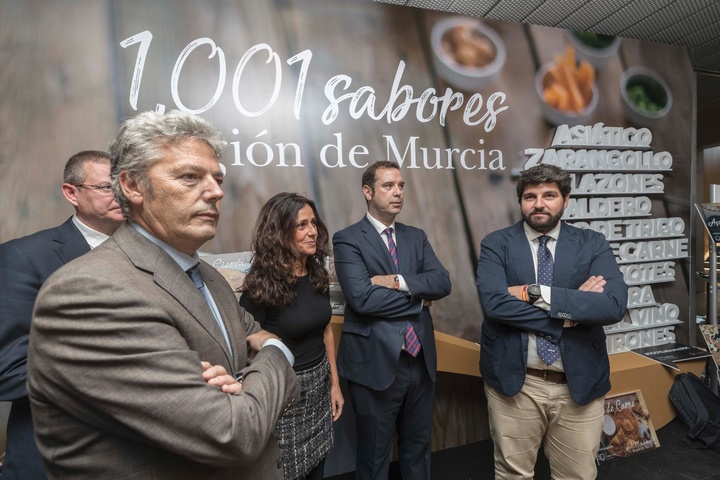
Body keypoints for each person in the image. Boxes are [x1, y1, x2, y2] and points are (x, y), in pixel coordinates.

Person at [26, 110, 300, 480]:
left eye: (217, 178)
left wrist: (246, 379)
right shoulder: (90, 291)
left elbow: (256, 360)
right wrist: (276, 353)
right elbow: (235, 432)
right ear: (132, 186)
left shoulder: (208, 278)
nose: (217, 191)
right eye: (190, 176)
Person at [476, 163, 628, 479]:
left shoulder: (592, 243)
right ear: (520, 202)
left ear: (566, 199)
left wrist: (536, 293)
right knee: (512, 474)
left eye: (549, 195)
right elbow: (494, 304)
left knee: (577, 475)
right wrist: (570, 314)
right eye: (530, 196)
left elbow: (613, 305)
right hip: (517, 385)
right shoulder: (497, 243)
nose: (539, 204)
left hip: (579, 385)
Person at [0, 150, 124, 480]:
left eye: (125, 185)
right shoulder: (25, 257)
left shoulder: (155, 257)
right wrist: (126, 374)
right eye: (106, 187)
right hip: (58, 460)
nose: (121, 196)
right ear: (72, 193)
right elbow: (9, 370)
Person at [332, 160, 451, 480]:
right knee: (374, 457)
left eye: (401, 186)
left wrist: (397, 281)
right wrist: (420, 300)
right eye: (388, 186)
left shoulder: (416, 236)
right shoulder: (348, 239)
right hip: (375, 364)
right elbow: (363, 299)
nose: (398, 193)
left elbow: (443, 283)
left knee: (418, 449)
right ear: (367, 191)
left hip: (420, 362)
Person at [239, 192, 344, 480]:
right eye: (301, 225)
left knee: (318, 467)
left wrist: (335, 384)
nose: (313, 232)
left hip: (320, 391)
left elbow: (326, 331)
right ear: (280, 233)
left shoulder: (316, 272)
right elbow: (247, 348)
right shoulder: (261, 287)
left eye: (313, 223)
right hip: (285, 400)